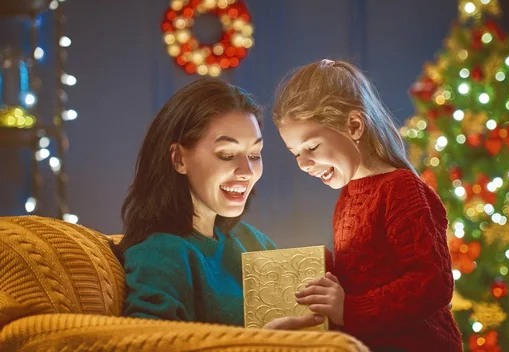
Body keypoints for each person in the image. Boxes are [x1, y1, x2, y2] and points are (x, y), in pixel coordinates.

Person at [273, 59, 463, 351]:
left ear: (354, 125)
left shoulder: (401, 188)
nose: (303, 164)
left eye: (311, 147)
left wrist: (349, 309)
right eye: (295, 153)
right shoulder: (346, 199)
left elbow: (432, 284)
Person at [120, 78, 320, 329]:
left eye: (254, 155)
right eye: (227, 155)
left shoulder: (254, 242)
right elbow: (144, 344)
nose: (247, 171)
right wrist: (254, 346)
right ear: (179, 158)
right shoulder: (159, 253)